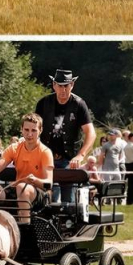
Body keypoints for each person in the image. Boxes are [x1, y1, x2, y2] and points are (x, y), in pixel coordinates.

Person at [35, 69, 96, 203]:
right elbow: (34, 128)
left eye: (66, 86)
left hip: (69, 160)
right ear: (54, 85)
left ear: (72, 85)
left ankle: (68, 223)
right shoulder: (44, 103)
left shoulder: (79, 104)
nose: (63, 89)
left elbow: (90, 132)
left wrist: (81, 155)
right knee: (49, 199)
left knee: (69, 202)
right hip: (46, 157)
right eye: (60, 85)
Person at [0, 113, 55, 225]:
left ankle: (25, 229)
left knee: (22, 188)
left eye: (34, 130)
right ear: (21, 129)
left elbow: (48, 184)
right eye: (26, 129)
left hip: (40, 194)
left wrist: (34, 180)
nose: (29, 134)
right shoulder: (14, 148)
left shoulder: (45, 152)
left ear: (40, 131)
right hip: (18, 190)